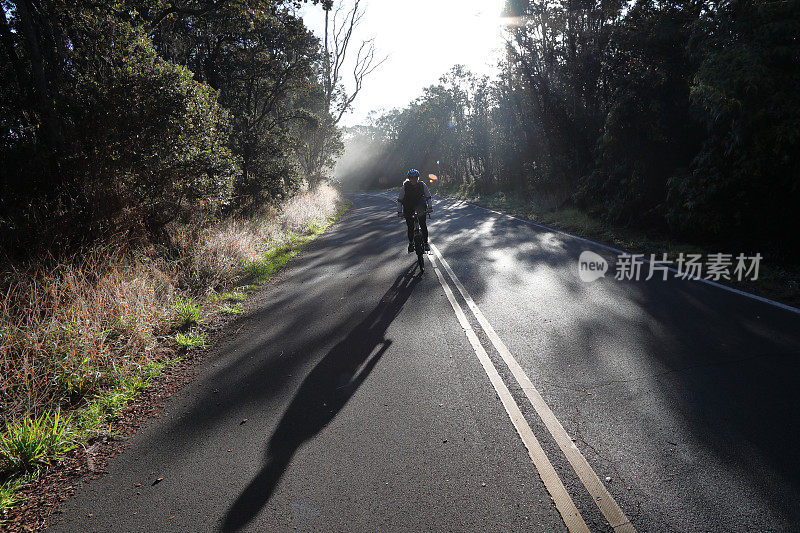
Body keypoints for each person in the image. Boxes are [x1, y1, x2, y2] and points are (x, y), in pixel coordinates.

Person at [397, 169, 432, 252]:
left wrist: (430, 207)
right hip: (408, 208)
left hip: (420, 207)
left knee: (423, 225)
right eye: (412, 178)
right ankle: (411, 243)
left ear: (418, 177)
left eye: (415, 177)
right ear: (409, 178)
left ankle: (426, 242)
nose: (414, 179)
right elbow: (400, 200)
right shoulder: (405, 187)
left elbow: (428, 197)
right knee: (410, 227)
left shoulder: (422, 185)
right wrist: (400, 212)